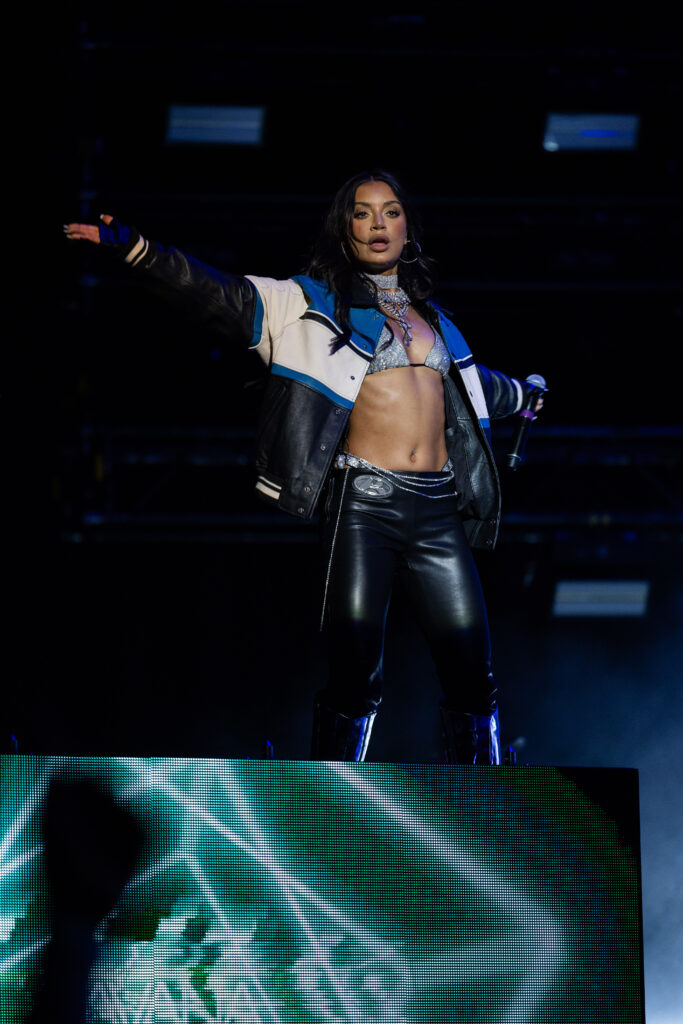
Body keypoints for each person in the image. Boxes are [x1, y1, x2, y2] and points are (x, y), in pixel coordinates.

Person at [65, 169, 543, 764]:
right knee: (355, 670)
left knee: (472, 669)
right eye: (363, 213)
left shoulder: (437, 322)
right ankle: (332, 794)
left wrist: (523, 393)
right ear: (345, 231)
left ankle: (487, 799)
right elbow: (221, 293)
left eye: (391, 212)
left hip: (438, 510)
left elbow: (473, 389)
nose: (378, 224)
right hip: (363, 506)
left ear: (407, 229)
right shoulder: (307, 303)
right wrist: (139, 249)